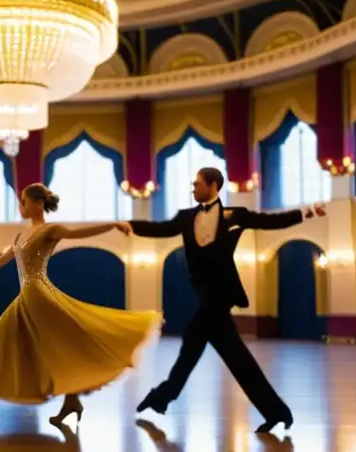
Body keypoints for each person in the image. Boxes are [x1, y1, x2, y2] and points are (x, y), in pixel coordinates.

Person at [0, 182, 163, 425]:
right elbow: (1, 260)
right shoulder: (20, 235)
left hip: (39, 296)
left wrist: (112, 225)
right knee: (45, 348)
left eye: (24, 202)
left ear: (38, 204)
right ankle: (71, 400)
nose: (21, 206)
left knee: (2, 345)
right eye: (20, 202)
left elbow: (79, 233)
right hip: (30, 296)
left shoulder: (51, 230)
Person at [130, 167, 324, 432]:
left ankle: (162, 397)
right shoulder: (187, 217)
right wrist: (129, 226)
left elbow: (270, 221)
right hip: (205, 293)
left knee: (192, 341)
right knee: (230, 354)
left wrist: (306, 212)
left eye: (197, 184)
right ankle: (276, 411)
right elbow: (161, 229)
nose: (193, 188)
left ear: (213, 185)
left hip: (222, 294)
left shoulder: (236, 215)